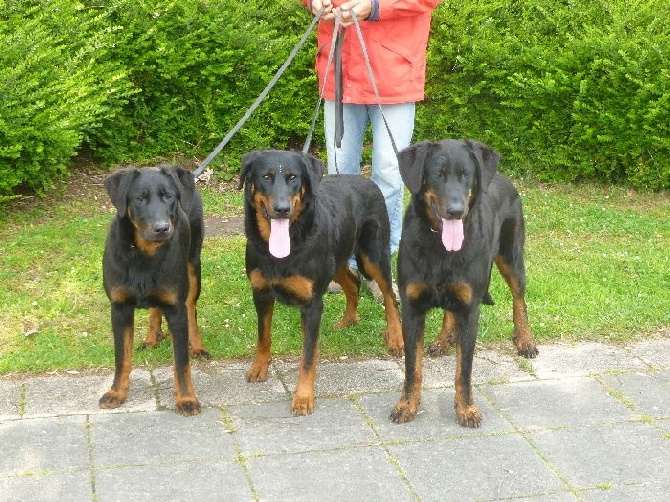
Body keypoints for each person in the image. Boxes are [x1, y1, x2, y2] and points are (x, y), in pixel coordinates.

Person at [302, 0, 441, 298]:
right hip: (339, 67)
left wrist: (376, 7)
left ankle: (379, 264)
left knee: (390, 173)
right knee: (338, 173)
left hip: (394, 68)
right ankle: (341, 262)